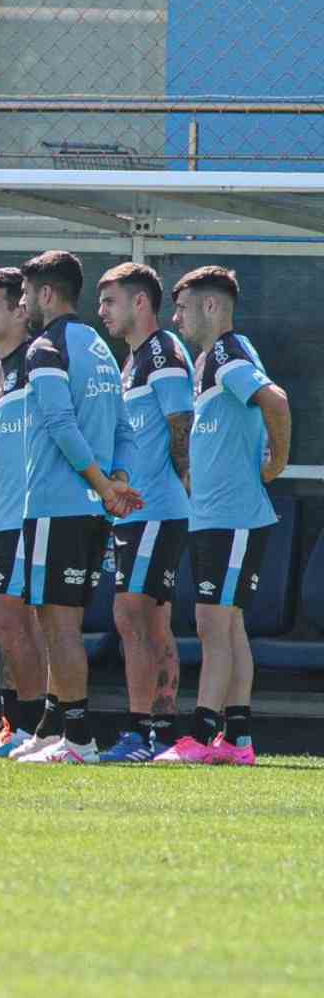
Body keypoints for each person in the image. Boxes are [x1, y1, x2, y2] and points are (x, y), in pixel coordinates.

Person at [10, 250, 142, 765]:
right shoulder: (101, 348)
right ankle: (53, 727)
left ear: (46, 294)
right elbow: (124, 429)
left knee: (58, 624)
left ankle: (79, 740)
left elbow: (62, 426)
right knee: (57, 621)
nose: (22, 305)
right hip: (89, 509)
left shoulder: (45, 347)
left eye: (25, 295)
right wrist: (116, 481)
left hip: (56, 505)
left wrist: (104, 486)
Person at [155, 266, 289, 766]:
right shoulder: (209, 360)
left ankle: (202, 735)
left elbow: (275, 399)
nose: (177, 318)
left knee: (213, 623)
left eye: (183, 307)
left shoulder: (230, 353)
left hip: (233, 515)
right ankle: (238, 741)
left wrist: (276, 461)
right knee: (226, 626)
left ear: (211, 307)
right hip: (212, 515)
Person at [96, 262, 193, 762]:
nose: (102, 311)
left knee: (130, 613)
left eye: (110, 301)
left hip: (157, 510)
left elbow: (182, 424)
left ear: (139, 302)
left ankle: (138, 734)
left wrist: (184, 485)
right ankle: (164, 732)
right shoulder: (130, 361)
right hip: (135, 512)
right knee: (151, 622)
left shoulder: (162, 351)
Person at [0, 267, 49, 756]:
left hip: (29, 515)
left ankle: (41, 724)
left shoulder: (40, 361)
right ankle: (29, 725)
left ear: (22, 311)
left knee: (15, 618)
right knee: (9, 622)